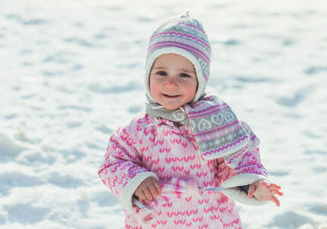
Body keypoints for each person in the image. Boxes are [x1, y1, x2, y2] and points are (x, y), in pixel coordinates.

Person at [98, 12, 283, 228]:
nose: (170, 83)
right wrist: (136, 180)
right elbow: (112, 163)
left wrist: (252, 185)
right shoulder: (137, 130)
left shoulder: (216, 121)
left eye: (184, 75)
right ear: (148, 75)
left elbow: (239, 159)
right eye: (161, 73)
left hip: (211, 221)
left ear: (200, 80)